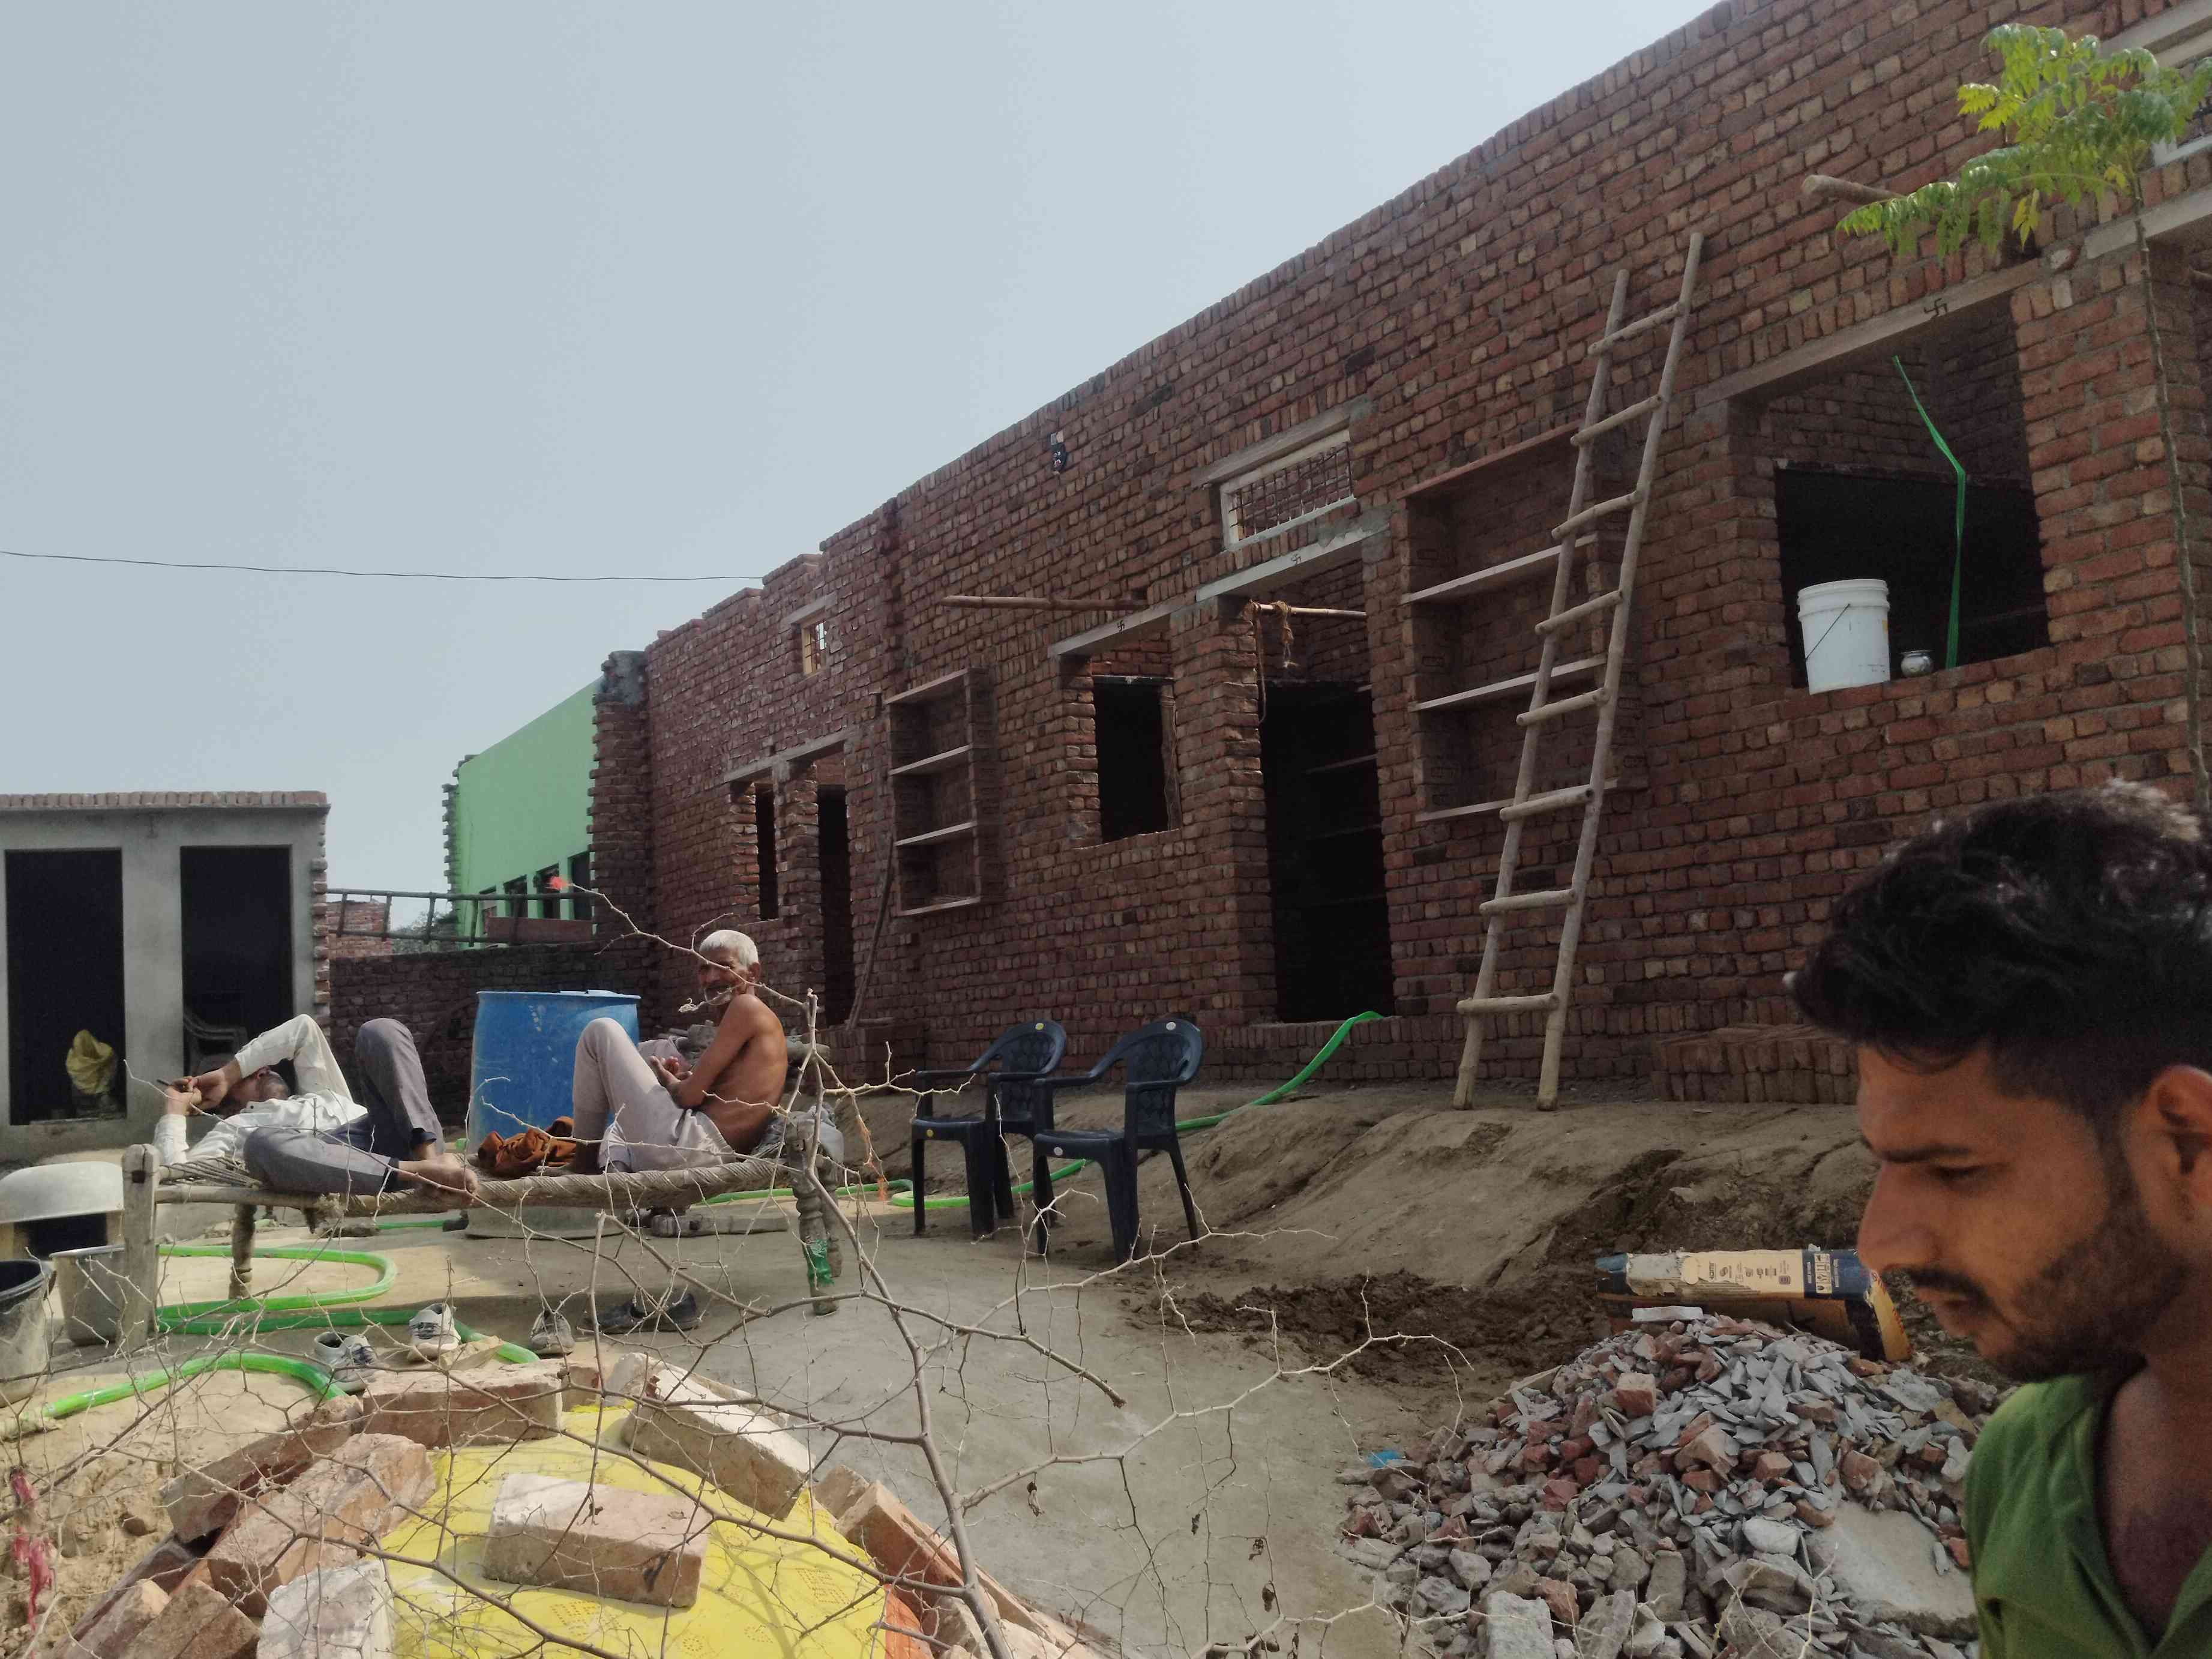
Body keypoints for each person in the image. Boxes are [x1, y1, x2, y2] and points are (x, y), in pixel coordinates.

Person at [1790, 782, 2212, 1654]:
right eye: (1884, 1166)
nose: (1878, 1246)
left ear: (2188, 1142)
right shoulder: (2020, 1464)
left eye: (1955, 1169)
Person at [569, 929, 843, 1175]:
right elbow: (712, 1095)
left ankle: (582, 1166)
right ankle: (603, 1173)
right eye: (704, 968)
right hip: (700, 1149)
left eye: (724, 967)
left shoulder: (746, 1007)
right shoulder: (747, 1019)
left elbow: (688, 1096)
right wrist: (682, 1079)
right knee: (618, 1127)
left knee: (601, 1031)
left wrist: (671, 1083)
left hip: (696, 1148)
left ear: (753, 973)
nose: (711, 978)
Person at [167, 1014, 476, 1200]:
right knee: (261, 1144)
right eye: (248, 1078)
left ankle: (431, 1163)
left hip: (397, 1140)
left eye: (260, 1067)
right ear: (228, 1108)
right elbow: (176, 1176)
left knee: (379, 1030)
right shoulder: (233, 1128)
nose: (263, 1071)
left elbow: (302, 1029)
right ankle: (424, 1174)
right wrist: (174, 1112)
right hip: (335, 1169)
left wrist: (228, 1074)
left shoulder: (321, 1091)